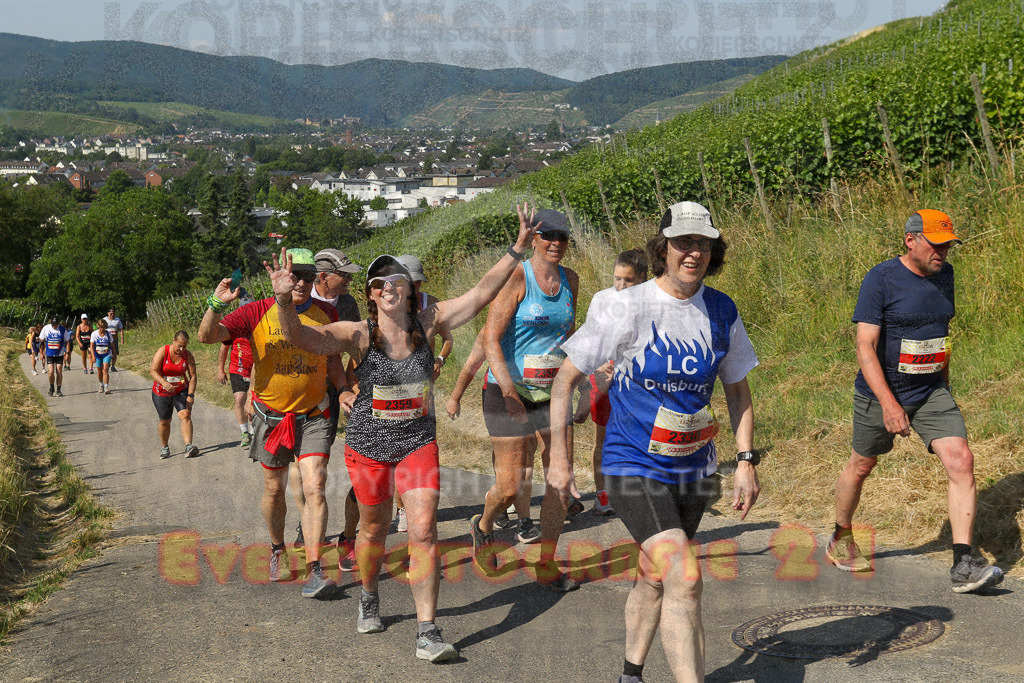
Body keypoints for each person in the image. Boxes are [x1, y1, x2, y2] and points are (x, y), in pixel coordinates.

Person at [266, 207, 536, 663]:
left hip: (417, 443)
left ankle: (427, 630)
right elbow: (304, 341)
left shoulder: (429, 324)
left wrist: (517, 249)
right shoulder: (358, 334)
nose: (387, 287)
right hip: (369, 447)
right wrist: (284, 304)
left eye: (396, 281)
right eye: (378, 283)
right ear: (370, 296)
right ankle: (369, 595)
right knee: (372, 529)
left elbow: (481, 292)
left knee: (425, 529)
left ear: (410, 291)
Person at [549, 201, 761, 683]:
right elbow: (565, 382)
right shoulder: (627, 305)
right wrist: (560, 462)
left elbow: (738, 388)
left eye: (703, 244)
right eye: (684, 243)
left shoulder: (722, 309)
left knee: (655, 573)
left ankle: (630, 674)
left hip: (693, 466)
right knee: (684, 576)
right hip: (631, 463)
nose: (693, 253)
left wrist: (745, 460)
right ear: (663, 247)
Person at [826, 210, 1003, 593]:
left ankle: (963, 563)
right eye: (936, 244)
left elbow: (942, 334)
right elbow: (864, 346)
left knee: (961, 459)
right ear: (910, 241)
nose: (943, 252)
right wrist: (889, 405)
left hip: (930, 390)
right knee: (861, 465)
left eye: (948, 245)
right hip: (881, 391)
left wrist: (946, 383)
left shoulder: (946, 276)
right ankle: (841, 535)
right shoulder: (881, 278)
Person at [197, 248, 345, 600]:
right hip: (271, 416)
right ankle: (277, 548)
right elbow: (206, 336)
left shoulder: (326, 312)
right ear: (282, 276)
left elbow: (333, 359)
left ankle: (314, 569)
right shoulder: (256, 311)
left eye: (309, 277)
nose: (302, 283)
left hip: (313, 415)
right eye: (295, 276)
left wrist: (344, 390)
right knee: (275, 490)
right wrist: (215, 304)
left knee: (315, 485)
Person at [471, 208, 580, 592]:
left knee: (559, 479)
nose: (555, 244)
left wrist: (579, 377)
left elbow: (564, 337)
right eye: (547, 236)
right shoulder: (517, 277)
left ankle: (547, 563)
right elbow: (490, 340)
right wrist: (508, 391)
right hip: (507, 393)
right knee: (511, 486)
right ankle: (484, 524)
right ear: (534, 238)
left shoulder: (571, 280)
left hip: (553, 395)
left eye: (562, 237)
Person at [571, 249, 649, 516]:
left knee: (639, 438)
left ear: (643, 278)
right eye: (617, 279)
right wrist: (599, 363)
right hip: (605, 379)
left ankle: (637, 492)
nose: (621, 286)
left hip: (638, 382)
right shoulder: (602, 299)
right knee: (603, 439)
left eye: (628, 281)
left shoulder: (654, 301)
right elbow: (591, 338)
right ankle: (602, 495)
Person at [445, 329, 539, 543]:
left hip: (533, 395)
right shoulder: (490, 329)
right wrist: (454, 398)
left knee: (527, 458)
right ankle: (500, 505)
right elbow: (471, 365)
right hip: (499, 396)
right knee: (509, 460)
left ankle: (524, 521)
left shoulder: (537, 322)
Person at [308, 248, 363, 572]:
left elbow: (354, 350)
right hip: (297, 393)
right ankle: (309, 523)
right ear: (322, 277)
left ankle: (345, 537)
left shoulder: (348, 304)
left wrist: (349, 387)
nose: (349, 279)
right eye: (344, 275)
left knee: (320, 462)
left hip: (333, 387)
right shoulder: (301, 300)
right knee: (305, 470)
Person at [393, 254, 456, 534]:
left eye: (418, 283)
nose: (415, 289)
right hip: (394, 386)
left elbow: (448, 339)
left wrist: (439, 360)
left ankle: (421, 502)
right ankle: (401, 508)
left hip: (424, 387)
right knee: (397, 448)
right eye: (411, 283)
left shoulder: (433, 305)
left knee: (421, 444)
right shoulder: (386, 305)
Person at [150, 330, 199, 459]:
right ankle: (165, 447)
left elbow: (193, 377)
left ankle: (189, 446)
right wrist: (164, 383)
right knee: (165, 421)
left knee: (185, 414)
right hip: (161, 391)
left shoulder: (187, 356)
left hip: (180, 390)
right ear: (173, 341)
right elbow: (153, 371)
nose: (182, 349)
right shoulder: (163, 351)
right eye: (179, 346)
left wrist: (191, 395)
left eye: (185, 346)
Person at [217, 292, 255, 448]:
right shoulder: (233, 327)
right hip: (237, 369)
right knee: (239, 399)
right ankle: (245, 433)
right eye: (243, 309)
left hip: (257, 372)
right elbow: (223, 348)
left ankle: (254, 432)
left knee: (254, 402)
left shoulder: (261, 326)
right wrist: (220, 369)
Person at [39, 315, 70, 397]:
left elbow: (67, 341)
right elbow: (41, 341)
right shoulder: (46, 328)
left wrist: (67, 353)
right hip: (49, 354)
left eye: (55, 324)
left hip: (59, 354)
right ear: (50, 322)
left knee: (59, 370)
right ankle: (51, 387)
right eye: (53, 324)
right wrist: (41, 353)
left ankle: (59, 389)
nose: (54, 326)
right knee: (51, 371)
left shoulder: (62, 329)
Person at [90, 319, 114, 394]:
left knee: (105, 369)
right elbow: (92, 346)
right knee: (99, 370)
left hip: (107, 354)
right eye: (100, 327)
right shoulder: (94, 334)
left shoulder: (108, 334)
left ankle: (106, 387)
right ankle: (101, 385)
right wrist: (93, 356)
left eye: (103, 327)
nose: (102, 329)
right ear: (98, 327)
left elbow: (112, 345)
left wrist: (114, 354)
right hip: (97, 354)